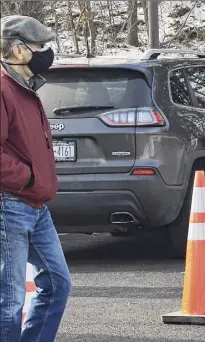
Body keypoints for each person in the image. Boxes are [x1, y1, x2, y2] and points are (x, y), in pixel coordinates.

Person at [1, 15, 72, 342]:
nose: (47, 52)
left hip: (34, 204)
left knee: (58, 284)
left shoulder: (25, 86)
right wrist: (28, 178)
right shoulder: (3, 87)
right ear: (18, 50)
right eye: (40, 46)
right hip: (9, 204)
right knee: (10, 300)